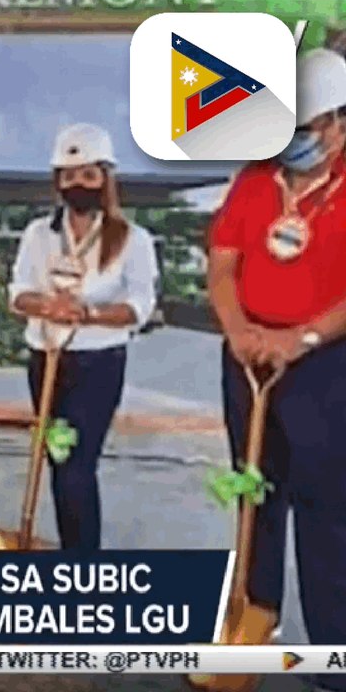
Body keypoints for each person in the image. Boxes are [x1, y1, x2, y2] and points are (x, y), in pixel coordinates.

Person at [207, 48, 346, 690]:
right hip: (249, 354)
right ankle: (250, 629)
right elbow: (224, 261)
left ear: (339, 124)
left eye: (307, 129)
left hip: (323, 363)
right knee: (254, 495)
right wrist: (238, 330)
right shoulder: (255, 178)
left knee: (324, 506)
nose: (293, 142)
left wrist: (303, 337)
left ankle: (331, 652)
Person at [6, 122, 159, 551]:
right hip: (46, 356)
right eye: (70, 176)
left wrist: (88, 313)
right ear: (58, 181)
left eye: (89, 175)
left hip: (97, 363)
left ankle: (83, 562)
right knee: (56, 461)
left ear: (106, 179)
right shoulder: (39, 234)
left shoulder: (132, 240)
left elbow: (140, 306)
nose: (79, 185)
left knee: (76, 465)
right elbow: (17, 292)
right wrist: (45, 306)